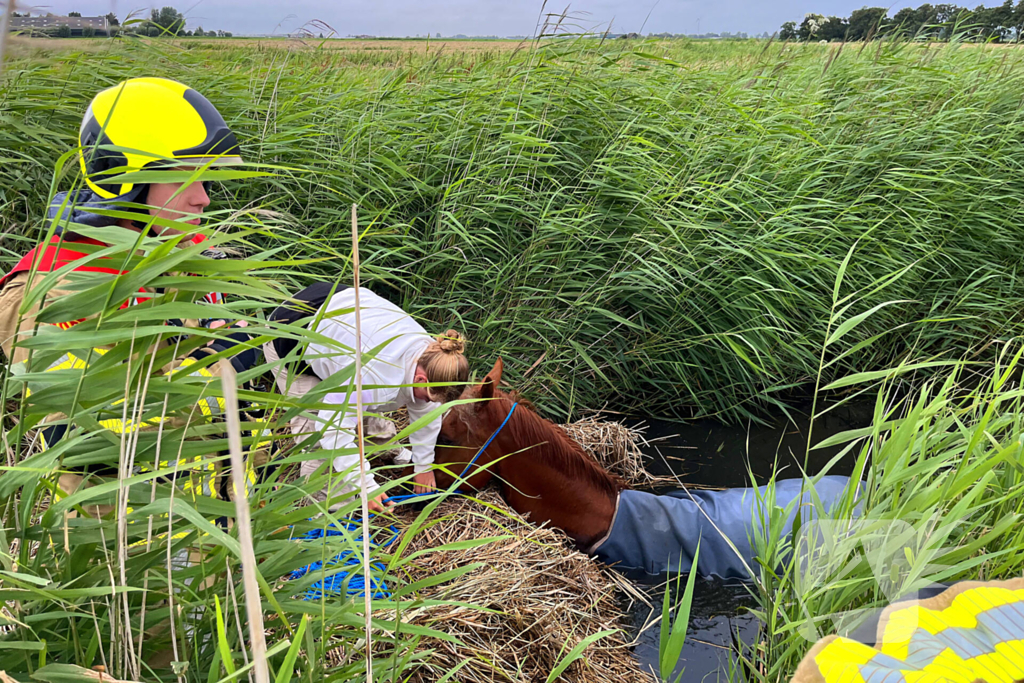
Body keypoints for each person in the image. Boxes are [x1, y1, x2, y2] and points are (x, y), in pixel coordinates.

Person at [0, 76, 260, 511]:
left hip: (216, 526)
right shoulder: (51, 290)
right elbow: (98, 429)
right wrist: (221, 359)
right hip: (131, 545)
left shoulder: (179, 259)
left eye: (207, 179)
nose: (203, 199)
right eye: (185, 178)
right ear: (123, 180)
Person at [263, 282, 469, 512]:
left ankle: (388, 449)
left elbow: (426, 413)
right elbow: (333, 430)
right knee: (318, 437)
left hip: (343, 320)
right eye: (430, 397)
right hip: (291, 334)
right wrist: (365, 486)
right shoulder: (374, 375)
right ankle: (334, 507)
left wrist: (423, 466)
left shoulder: (434, 355)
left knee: (364, 401)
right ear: (421, 379)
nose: (428, 404)